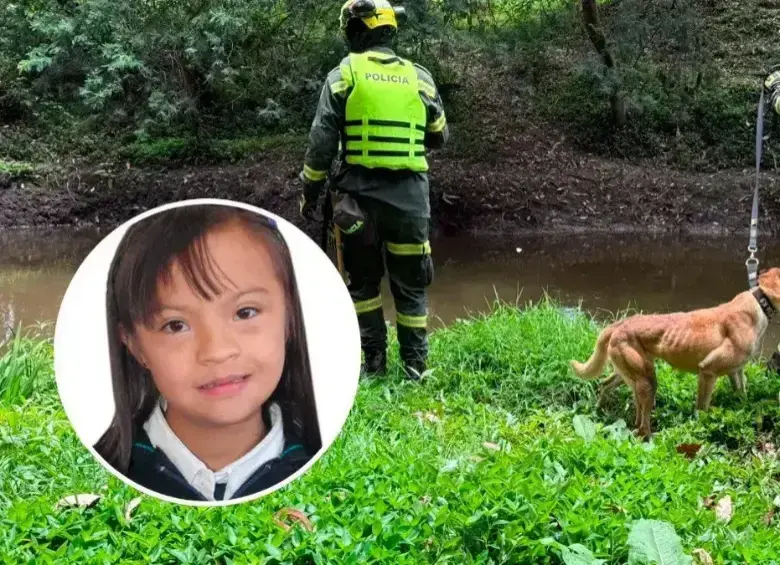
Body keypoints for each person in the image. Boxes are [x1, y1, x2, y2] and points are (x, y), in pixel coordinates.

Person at [93, 204, 322, 502]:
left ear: (289, 317)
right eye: (175, 325)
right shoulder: (105, 477)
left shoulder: (331, 478)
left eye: (245, 312)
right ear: (134, 344)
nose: (217, 351)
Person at [298, 0, 449, 380]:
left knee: (363, 285)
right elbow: (439, 137)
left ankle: (375, 366)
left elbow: (320, 145)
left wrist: (310, 196)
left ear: (357, 31)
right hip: (411, 202)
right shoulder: (421, 78)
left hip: (357, 204)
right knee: (411, 287)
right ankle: (416, 369)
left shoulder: (342, 75)